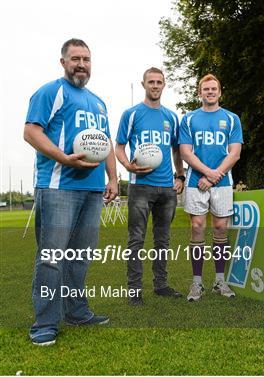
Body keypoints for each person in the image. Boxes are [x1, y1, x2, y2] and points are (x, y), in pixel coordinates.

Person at [23, 38, 118, 346]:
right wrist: (63, 158)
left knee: (80, 256)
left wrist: (113, 179)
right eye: (75, 58)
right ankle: (45, 323)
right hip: (58, 186)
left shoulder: (99, 102)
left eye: (86, 59)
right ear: (63, 62)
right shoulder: (51, 91)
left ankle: (76, 312)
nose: (81, 64)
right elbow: (31, 131)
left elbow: (105, 145)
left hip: (91, 190)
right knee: (52, 257)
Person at [115, 67, 185, 306]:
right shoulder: (131, 114)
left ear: (164, 85)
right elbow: (119, 146)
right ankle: (134, 290)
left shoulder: (172, 117)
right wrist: (127, 166)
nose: (155, 86)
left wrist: (180, 176)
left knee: (162, 240)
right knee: (136, 239)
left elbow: (177, 150)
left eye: (159, 82)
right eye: (151, 82)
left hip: (167, 189)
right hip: (140, 187)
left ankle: (161, 284)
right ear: (143, 84)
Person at [179, 74, 243, 301]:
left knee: (220, 229)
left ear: (220, 92)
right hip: (197, 181)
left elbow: (235, 153)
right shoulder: (188, 119)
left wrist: (214, 176)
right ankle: (196, 283)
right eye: (206, 89)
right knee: (197, 227)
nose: (210, 92)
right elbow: (186, 152)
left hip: (222, 182)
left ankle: (219, 281)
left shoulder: (232, 118)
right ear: (200, 92)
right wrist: (207, 173)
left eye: (214, 88)